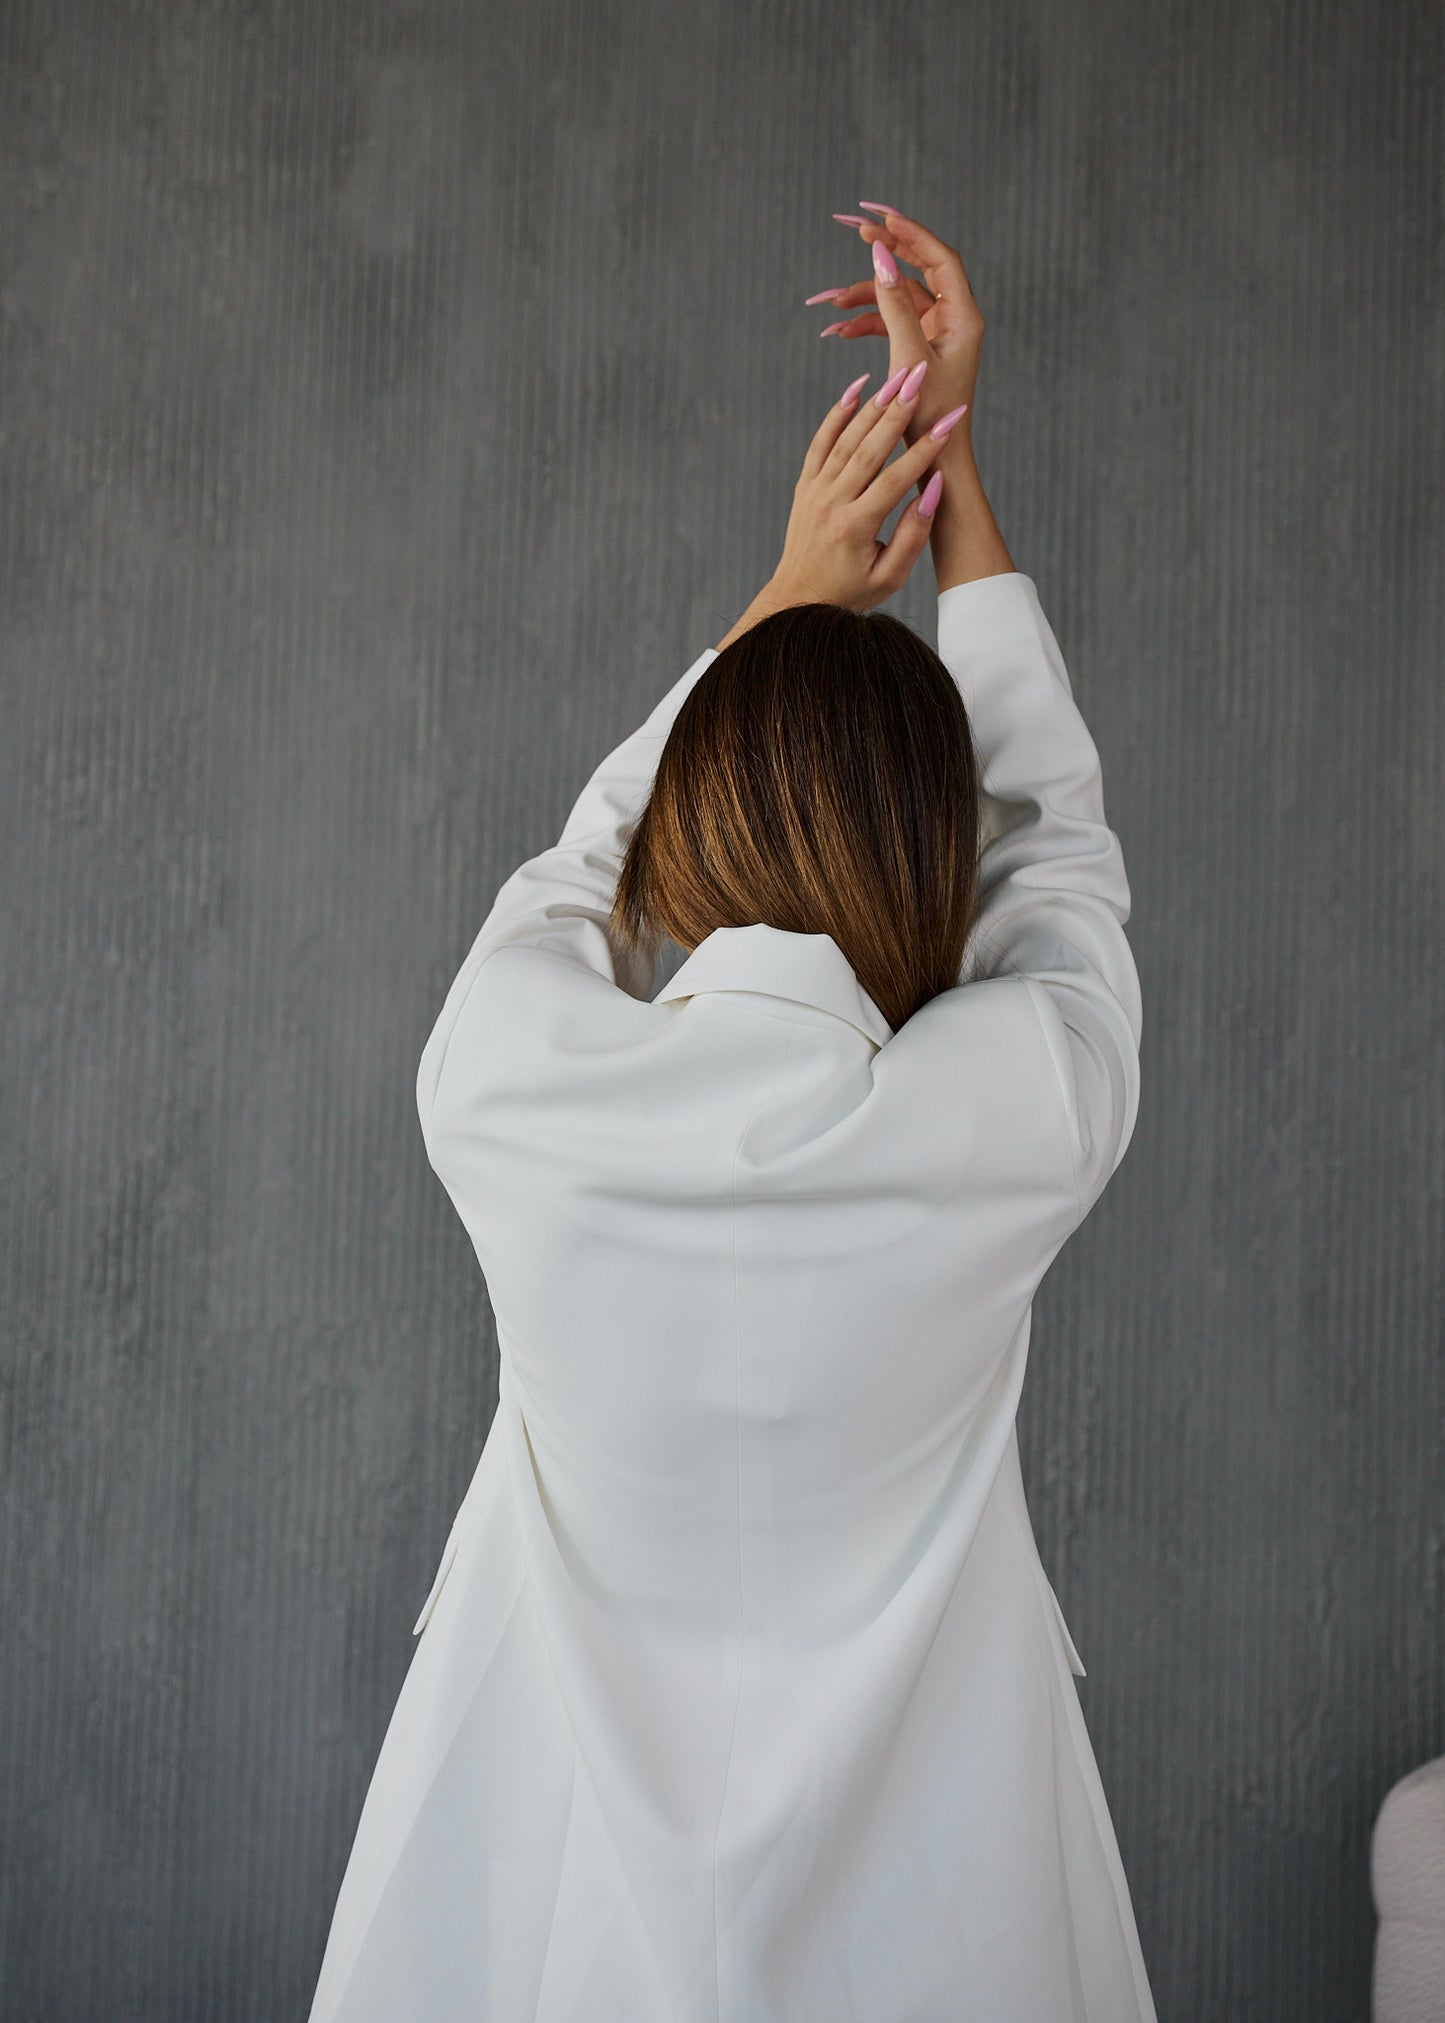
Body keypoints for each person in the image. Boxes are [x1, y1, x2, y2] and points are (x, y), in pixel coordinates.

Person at [306, 204, 1157, 2022]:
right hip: (954, 1919)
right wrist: (958, 468)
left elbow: (564, 873)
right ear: (944, 854)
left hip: (546, 1914)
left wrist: (783, 596)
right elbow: (1060, 859)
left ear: (689, 831)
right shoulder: (1007, 1116)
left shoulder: (516, 1093)